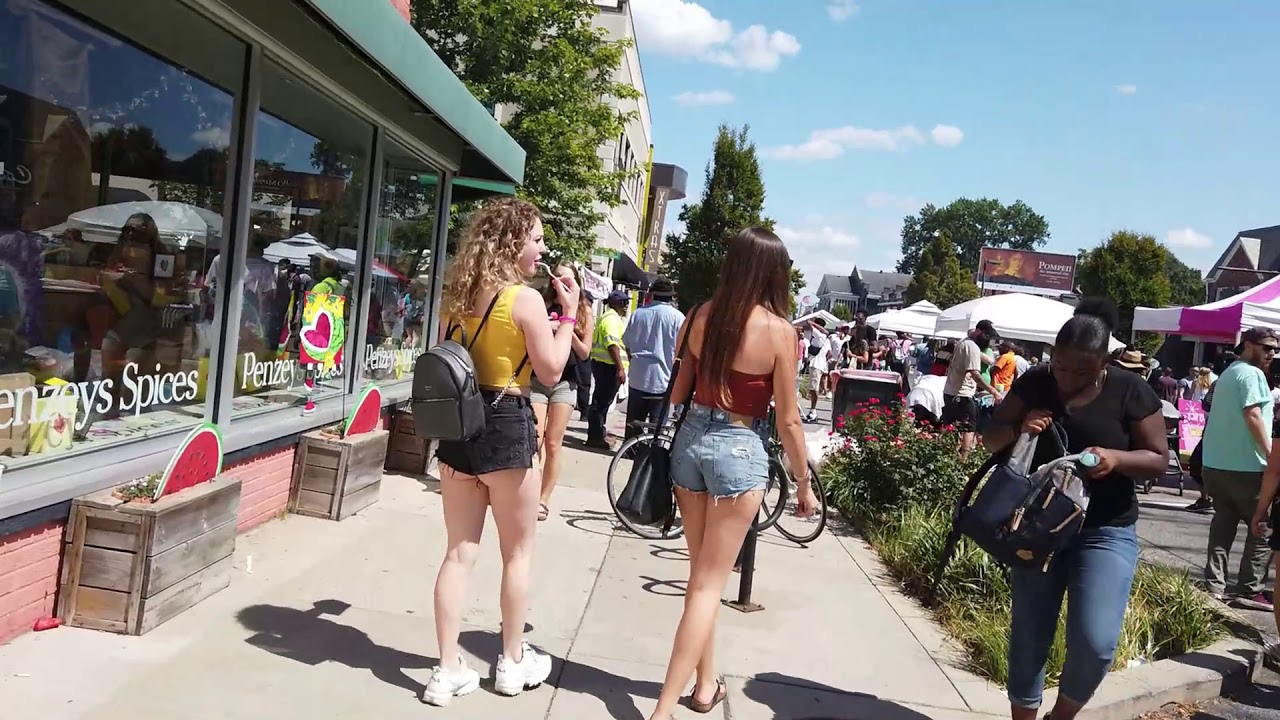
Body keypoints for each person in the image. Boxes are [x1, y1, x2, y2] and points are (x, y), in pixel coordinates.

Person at [649, 227, 816, 720]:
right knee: (707, 586)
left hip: (691, 443)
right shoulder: (781, 332)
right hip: (740, 448)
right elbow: (787, 419)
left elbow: (677, 394)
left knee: (701, 577)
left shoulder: (701, 315)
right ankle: (662, 711)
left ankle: (704, 686)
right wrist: (803, 482)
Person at [423, 198, 581, 706]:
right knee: (518, 552)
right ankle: (512, 661)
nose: (541, 249)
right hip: (507, 423)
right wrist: (571, 314)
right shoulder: (523, 300)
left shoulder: (456, 296)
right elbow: (553, 369)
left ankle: (447, 669)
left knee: (458, 552)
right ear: (513, 242)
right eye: (535, 238)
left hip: (457, 426)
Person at [981, 298, 1166, 720]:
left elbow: (1158, 458)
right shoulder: (1036, 381)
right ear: (1052, 355)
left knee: (1096, 642)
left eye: (1082, 371)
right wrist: (1018, 428)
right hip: (1036, 527)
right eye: (1061, 366)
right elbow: (989, 437)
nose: (1067, 378)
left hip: (1105, 530)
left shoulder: (1130, 390)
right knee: (1030, 633)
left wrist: (1117, 459)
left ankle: (1061, 716)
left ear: (1104, 361)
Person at [1201, 327, 1279, 611]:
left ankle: (1214, 584)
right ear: (1247, 345)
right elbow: (1253, 414)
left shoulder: (1228, 373)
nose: (1272, 353)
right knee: (1262, 527)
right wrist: (1272, 456)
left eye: (1275, 349)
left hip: (1216, 463)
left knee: (1223, 524)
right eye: (1267, 347)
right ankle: (1249, 588)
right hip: (1248, 466)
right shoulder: (1252, 374)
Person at [532, 263, 594, 521]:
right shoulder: (540, 304)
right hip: (537, 377)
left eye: (567, 278)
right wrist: (545, 327)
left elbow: (585, 352)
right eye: (556, 276)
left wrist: (566, 329)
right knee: (534, 440)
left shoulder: (584, 310)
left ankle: (543, 500)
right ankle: (528, 494)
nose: (560, 282)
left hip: (566, 382)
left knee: (553, 443)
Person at [621, 277, 685, 439]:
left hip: (638, 377)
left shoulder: (638, 314)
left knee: (634, 424)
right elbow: (682, 352)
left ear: (652, 295)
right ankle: (652, 457)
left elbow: (627, 343)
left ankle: (630, 454)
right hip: (663, 380)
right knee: (657, 430)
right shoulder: (678, 318)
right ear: (671, 297)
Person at [941, 319, 1004, 456]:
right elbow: (975, 374)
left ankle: (946, 455)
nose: (989, 340)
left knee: (951, 426)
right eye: (987, 336)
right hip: (962, 393)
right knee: (969, 428)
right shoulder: (972, 347)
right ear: (979, 331)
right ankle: (964, 460)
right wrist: (994, 392)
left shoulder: (963, 342)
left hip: (951, 392)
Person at [586, 290, 630, 449]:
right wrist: (620, 368)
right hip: (608, 366)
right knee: (601, 403)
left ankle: (599, 432)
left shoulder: (611, 318)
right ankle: (595, 437)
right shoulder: (611, 319)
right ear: (615, 304)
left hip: (605, 365)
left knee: (602, 402)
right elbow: (612, 345)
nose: (626, 306)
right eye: (624, 303)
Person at [803, 318, 830, 422]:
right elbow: (830, 353)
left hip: (816, 364)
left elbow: (809, 323)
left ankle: (813, 411)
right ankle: (812, 410)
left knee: (814, 389)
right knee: (813, 388)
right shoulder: (826, 339)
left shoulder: (820, 335)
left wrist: (813, 323)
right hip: (819, 364)